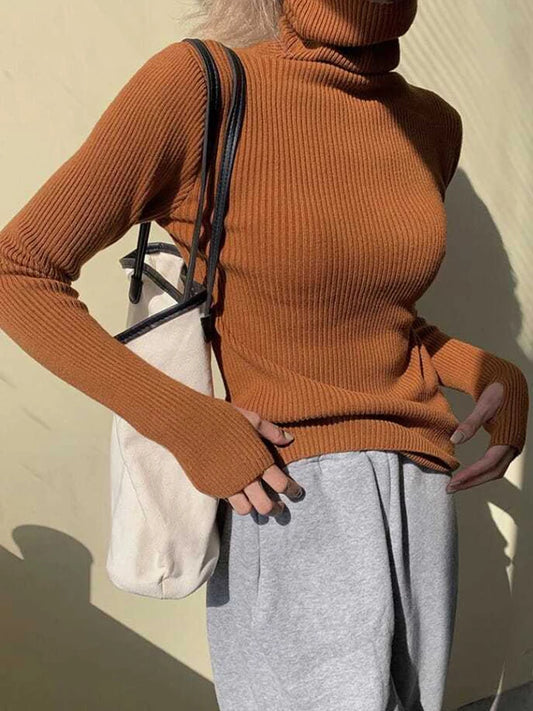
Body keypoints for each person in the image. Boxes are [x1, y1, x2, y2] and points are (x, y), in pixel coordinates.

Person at [0, 0, 528, 709]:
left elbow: (369, 315)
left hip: (422, 492)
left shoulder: (430, 123)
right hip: (288, 493)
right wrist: (188, 423)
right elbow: (19, 269)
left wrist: (487, 372)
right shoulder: (198, 87)